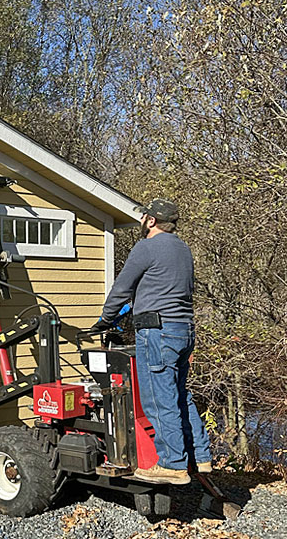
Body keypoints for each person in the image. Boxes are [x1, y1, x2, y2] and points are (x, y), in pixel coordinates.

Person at [90, 198, 212, 485]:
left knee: (159, 399)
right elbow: (165, 288)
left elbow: (122, 287)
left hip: (157, 332)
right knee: (180, 394)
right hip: (184, 329)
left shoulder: (146, 247)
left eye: (144, 217)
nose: (141, 221)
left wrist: (105, 319)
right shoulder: (183, 249)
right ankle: (200, 456)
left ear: (152, 220)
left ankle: (172, 465)